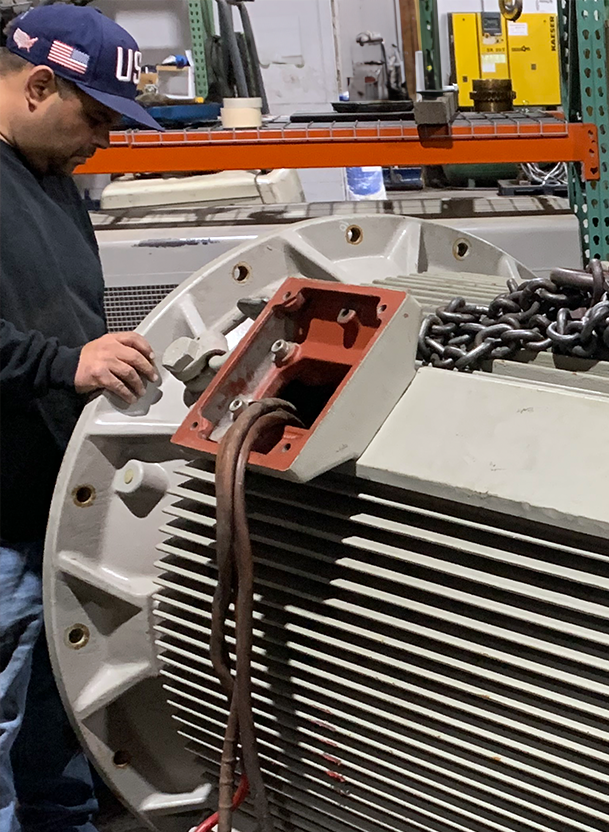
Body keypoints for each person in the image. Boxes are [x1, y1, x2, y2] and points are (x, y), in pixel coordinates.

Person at [1, 6, 163, 830]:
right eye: (96, 117)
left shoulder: (51, 177)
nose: (103, 140)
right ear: (39, 86)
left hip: (55, 509)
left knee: (59, 725)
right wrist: (65, 364)